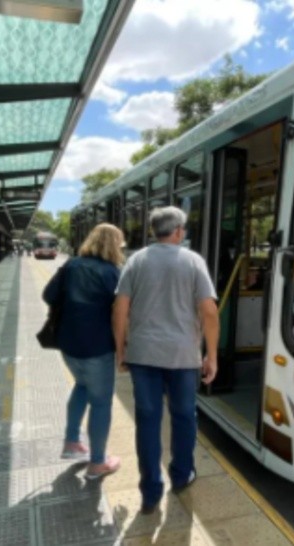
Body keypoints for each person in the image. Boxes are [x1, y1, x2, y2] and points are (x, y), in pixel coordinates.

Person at [113, 206, 219, 513]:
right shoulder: (193, 261)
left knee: (147, 420)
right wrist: (211, 355)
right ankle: (182, 474)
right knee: (184, 415)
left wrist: (121, 350)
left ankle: (150, 492)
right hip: (184, 356)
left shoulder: (136, 260)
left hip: (143, 355)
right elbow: (209, 311)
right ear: (177, 231)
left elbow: (119, 309)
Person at [43, 223, 125, 479]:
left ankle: (71, 443)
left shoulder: (71, 265)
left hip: (68, 343)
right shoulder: (112, 272)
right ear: (114, 244)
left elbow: (48, 294)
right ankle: (98, 463)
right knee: (101, 403)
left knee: (81, 386)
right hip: (97, 346)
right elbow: (121, 313)